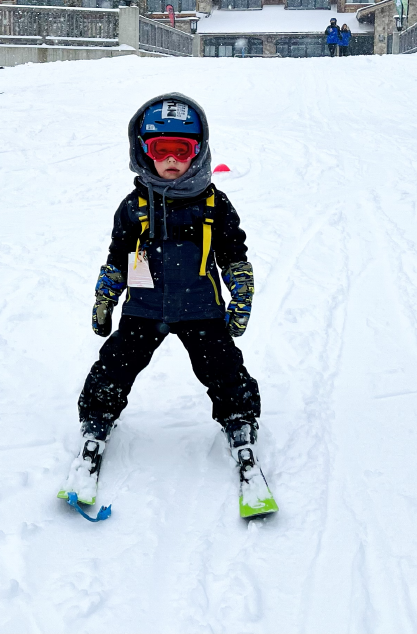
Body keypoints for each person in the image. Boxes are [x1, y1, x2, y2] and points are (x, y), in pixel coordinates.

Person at [61, 94, 273, 516]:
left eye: (183, 150)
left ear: (199, 151)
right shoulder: (134, 206)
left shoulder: (214, 203)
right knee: (116, 365)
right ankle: (97, 417)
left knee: (223, 368)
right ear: (144, 152)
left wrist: (241, 289)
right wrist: (107, 294)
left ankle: (239, 420)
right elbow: (119, 255)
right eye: (162, 150)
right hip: (143, 309)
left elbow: (233, 254)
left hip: (202, 309)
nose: (172, 160)